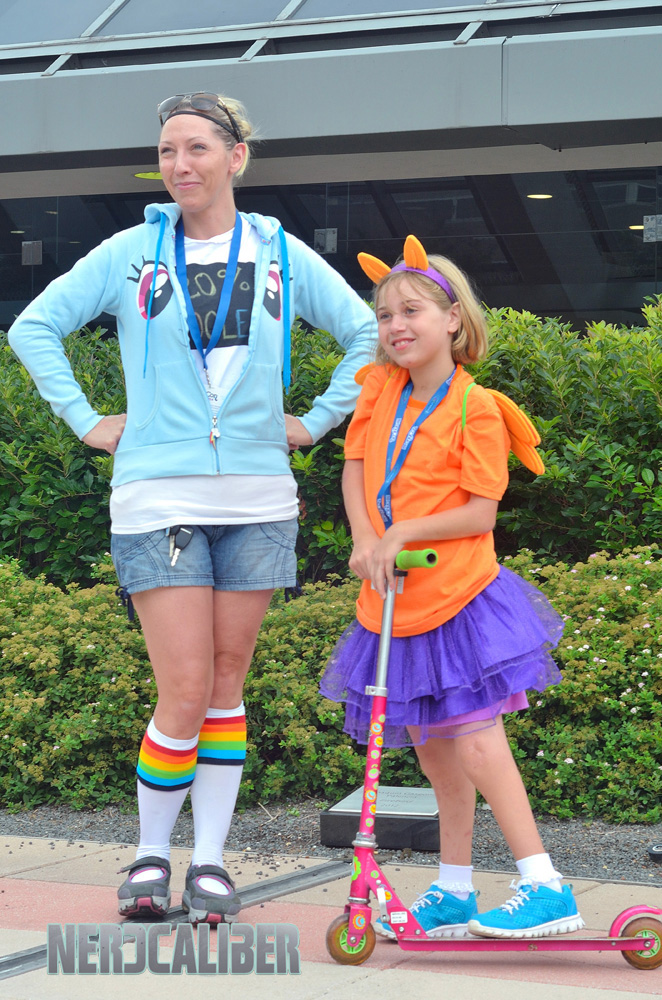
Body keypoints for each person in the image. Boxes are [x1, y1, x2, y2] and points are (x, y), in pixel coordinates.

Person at [8, 92, 376, 925]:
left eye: (197, 149)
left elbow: (364, 335)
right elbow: (35, 326)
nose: (180, 165)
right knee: (182, 686)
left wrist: (319, 418)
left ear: (236, 157)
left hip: (258, 495)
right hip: (159, 494)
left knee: (225, 681)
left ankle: (209, 862)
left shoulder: (277, 253)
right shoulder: (132, 253)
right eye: (167, 151)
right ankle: (150, 854)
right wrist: (85, 419)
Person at [319, 237, 584, 939]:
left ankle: (545, 885)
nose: (395, 326)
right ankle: (455, 887)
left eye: (411, 311)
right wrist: (365, 538)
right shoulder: (379, 393)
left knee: (475, 741)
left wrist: (402, 532)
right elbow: (355, 468)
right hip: (396, 602)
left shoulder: (479, 408)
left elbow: (480, 512)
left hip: (460, 598)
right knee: (434, 752)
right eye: (385, 315)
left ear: (453, 320)